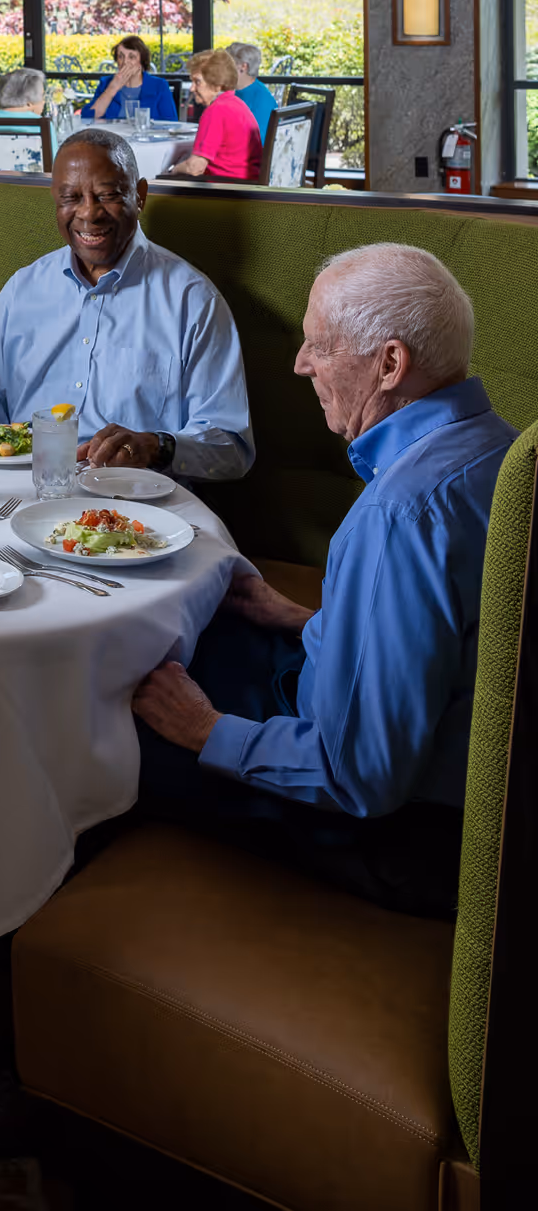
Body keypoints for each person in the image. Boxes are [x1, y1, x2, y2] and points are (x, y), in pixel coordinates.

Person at [131, 245, 515, 919]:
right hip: (465, 767)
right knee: (215, 635)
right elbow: (448, 639)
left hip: (413, 835)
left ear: (390, 363)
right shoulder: (497, 447)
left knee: (117, 734)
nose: (301, 363)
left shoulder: (402, 513)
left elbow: (359, 773)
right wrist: (312, 620)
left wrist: (203, 730)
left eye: (321, 346)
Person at [0, 129, 252, 479]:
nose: (88, 214)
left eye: (107, 195)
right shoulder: (24, 288)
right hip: (21, 488)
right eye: (71, 197)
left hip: (137, 509)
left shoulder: (193, 301)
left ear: (139, 195)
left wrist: (156, 445)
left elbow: (231, 446)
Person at [167, 49, 262, 182]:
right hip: (248, 187)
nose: (192, 88)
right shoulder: (236, 104)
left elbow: (195, 168)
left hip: (226, 191)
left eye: (197, 82)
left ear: (217, 85)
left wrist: (172, 170)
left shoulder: (216, 111)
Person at [80, 35, 177, 125]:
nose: (125, 62)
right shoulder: (106, 83)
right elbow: (87, 118)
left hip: (147, 141)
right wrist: (112, 88)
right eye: (120, 56)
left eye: (131, 57)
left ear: (142, 62)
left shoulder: (159, 85)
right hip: (111, 141)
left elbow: (171, 124)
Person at [228, 41, 277, 142]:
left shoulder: (262, 98)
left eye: (227, 65)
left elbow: (258, 141)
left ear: (243, 67)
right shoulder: (237, 92)